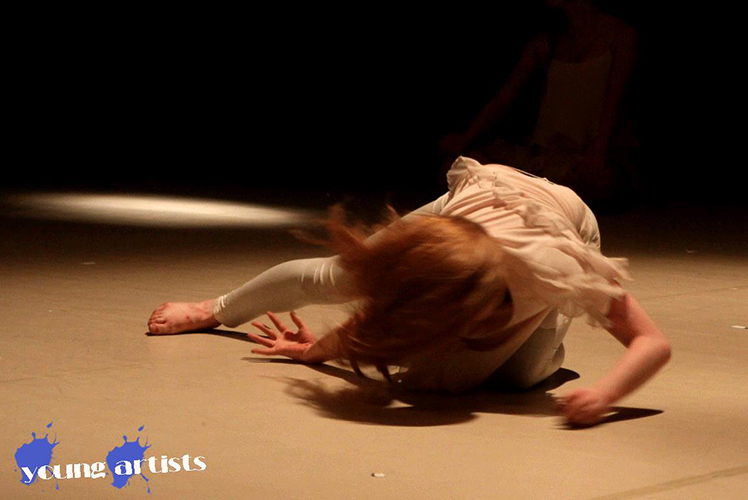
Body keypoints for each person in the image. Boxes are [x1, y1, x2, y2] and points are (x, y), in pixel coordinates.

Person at [147, 156, 671, 426]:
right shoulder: (431, 258)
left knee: (514, 377)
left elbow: (652, 343)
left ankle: (545, 337)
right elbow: (388, 309)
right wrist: (317, 350)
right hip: (478, 201)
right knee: (341, 276)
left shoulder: (559, 272)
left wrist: (604, 395)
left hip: (565, 222)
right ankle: (215, 309)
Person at [438, 0, 639, 203]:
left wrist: (596, 155)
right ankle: (530, 190)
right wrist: (465, 140)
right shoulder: (547, 41)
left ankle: (526, 191)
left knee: (598, 182)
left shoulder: (620, 35)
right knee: (454, 166)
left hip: (586, 159)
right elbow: (503, 100)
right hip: (544, 157)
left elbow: (613, 105)